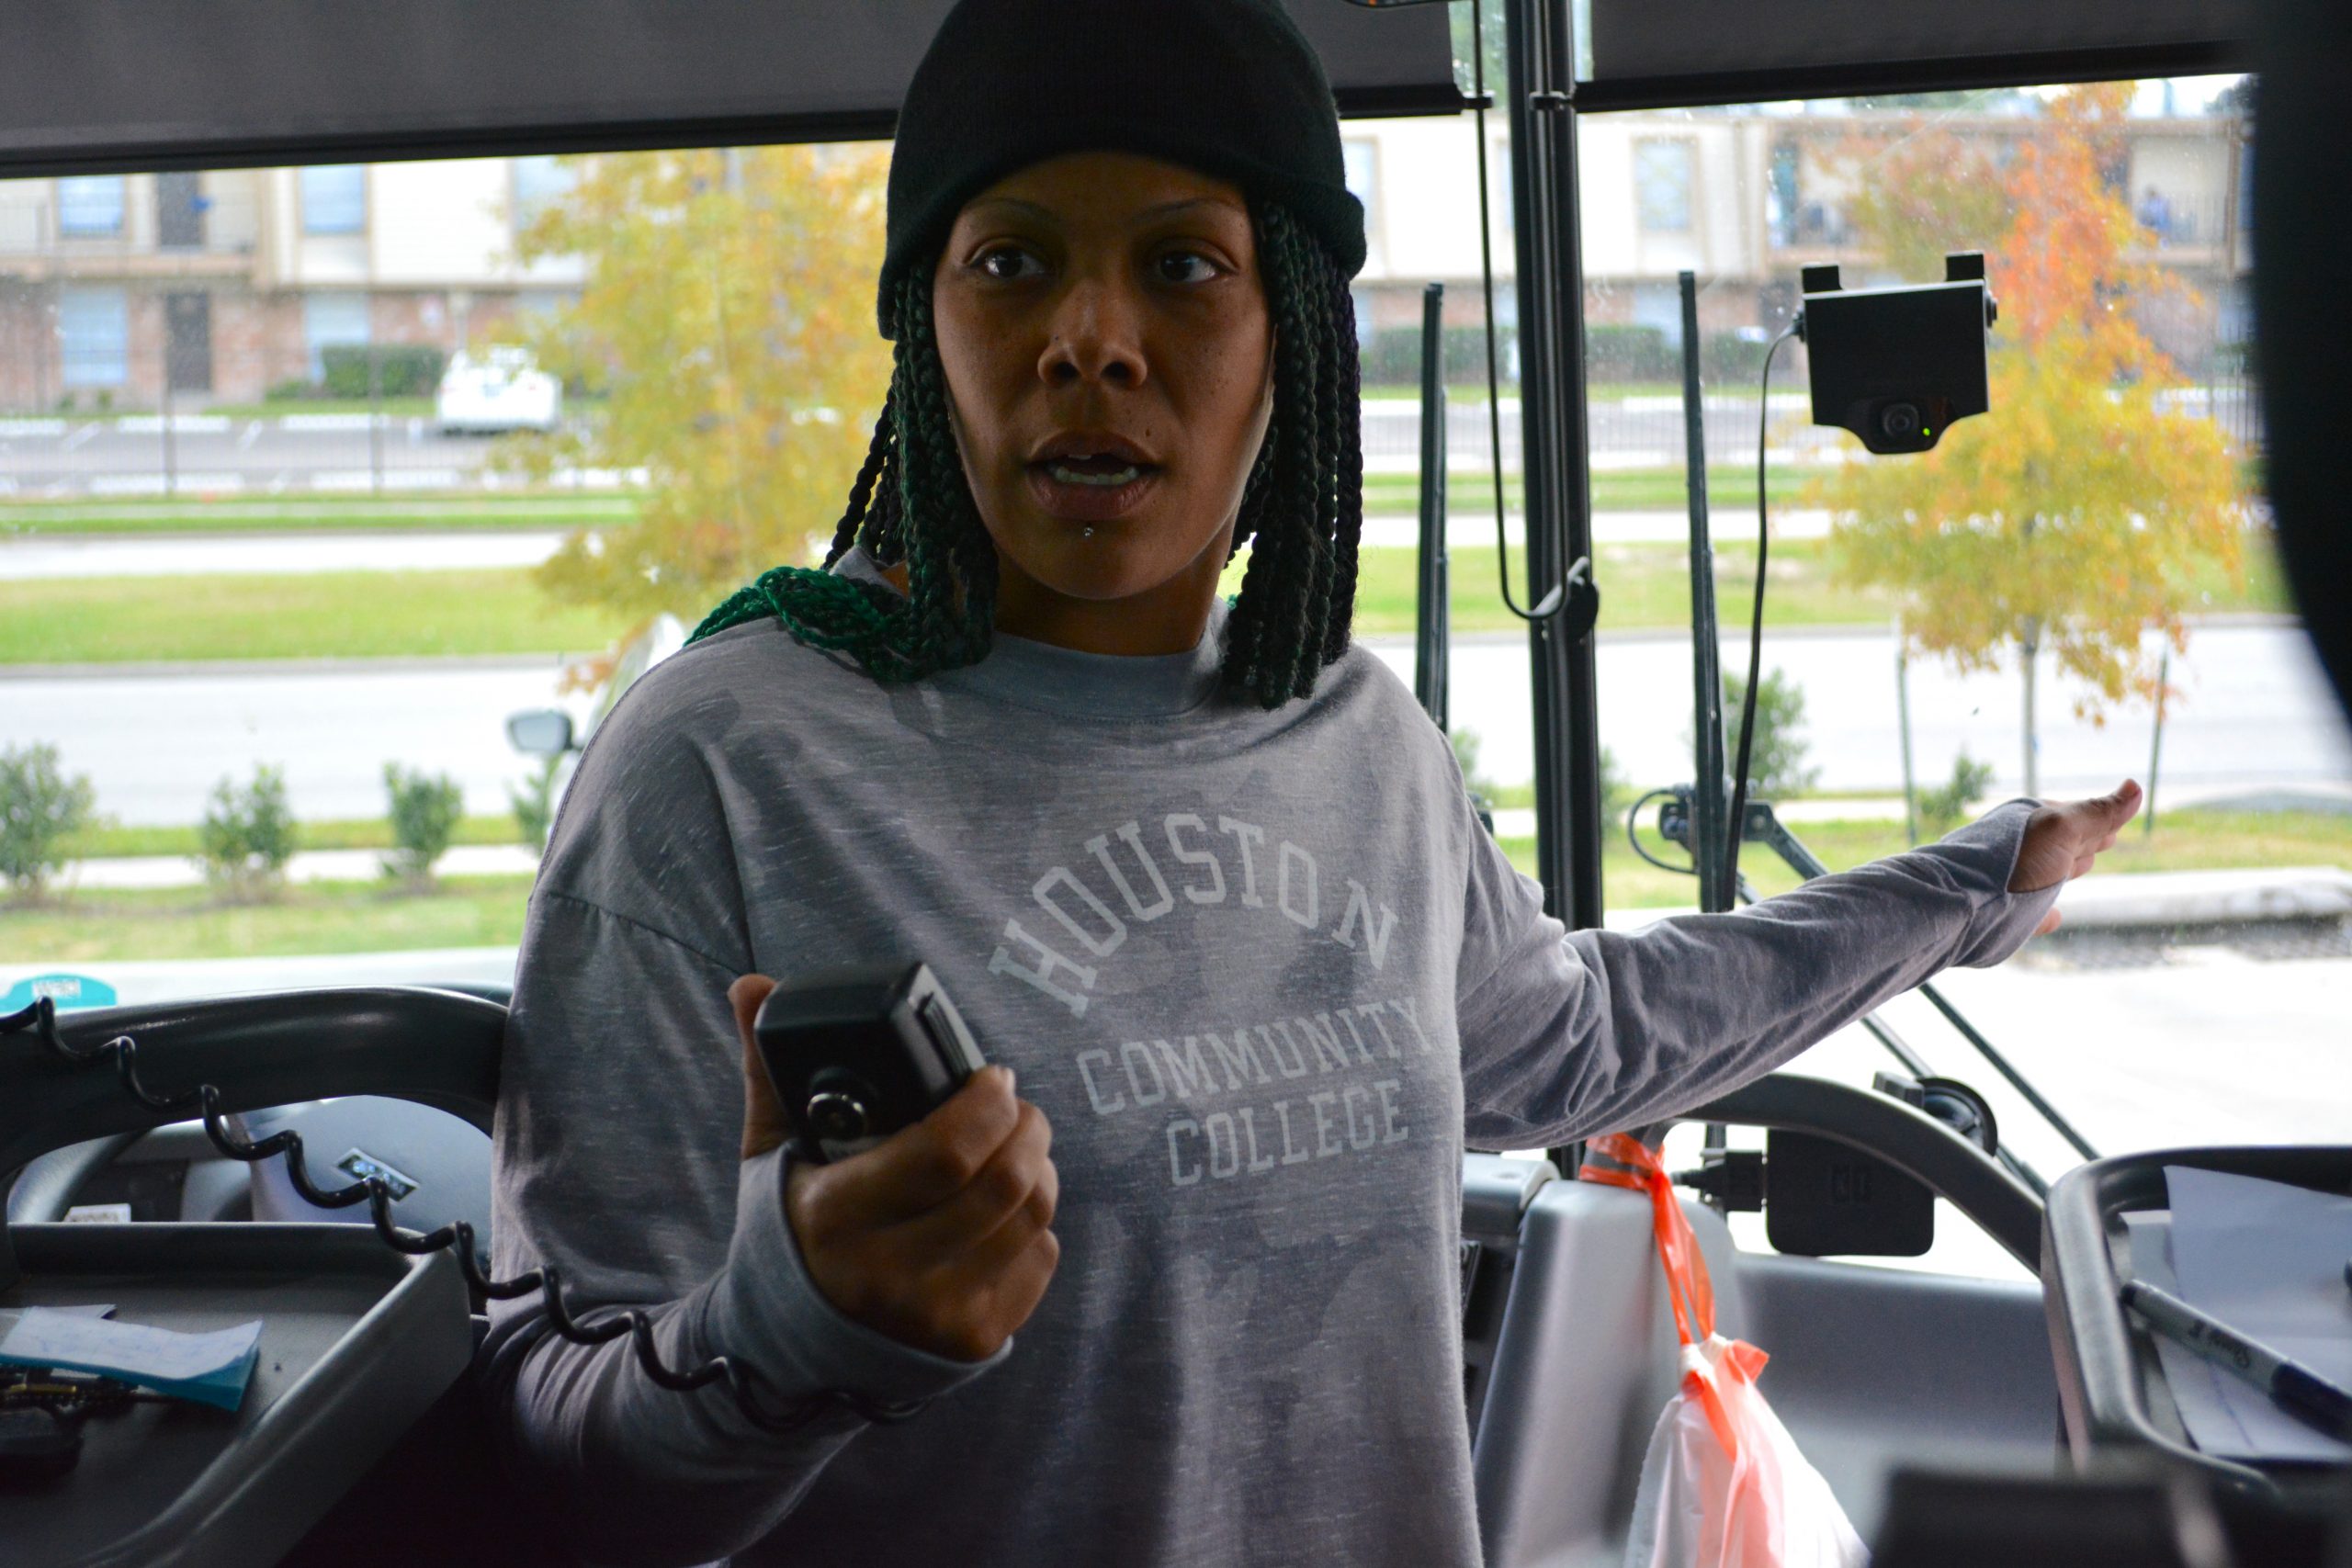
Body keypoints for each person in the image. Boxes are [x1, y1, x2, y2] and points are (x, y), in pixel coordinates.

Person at [480, 2, 2142, 1562]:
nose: (1090, 341)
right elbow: (548, 1434)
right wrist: (788, 1338)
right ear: (929, 325)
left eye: (1183, 266)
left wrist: (1969, 890)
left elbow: (1580, 1035)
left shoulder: (1354, 733)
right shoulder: (721, 764)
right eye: (1011, 263)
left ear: (1293, 337)